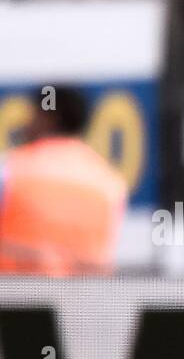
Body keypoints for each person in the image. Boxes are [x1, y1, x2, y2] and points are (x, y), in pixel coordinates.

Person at [0, 86, 125, 275]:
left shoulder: (11, 169)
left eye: (33, 115)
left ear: (49, 118)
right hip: (83, 300)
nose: (25, 124)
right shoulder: (108, 182)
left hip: (16, 298)